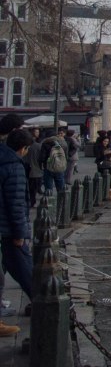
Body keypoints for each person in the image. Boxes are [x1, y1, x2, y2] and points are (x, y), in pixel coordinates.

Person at [0, 129, 36, 307]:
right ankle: (42, 303)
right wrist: (20, 233)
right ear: (23, 148)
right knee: (24, 267)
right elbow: (16, 203)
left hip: (4, 227)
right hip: (8, 229)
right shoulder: (14, 167)